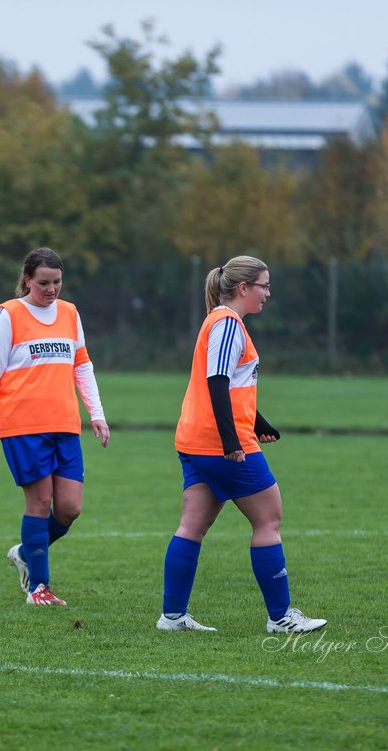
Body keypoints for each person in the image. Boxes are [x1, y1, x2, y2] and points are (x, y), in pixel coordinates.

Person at [157, 255, 326, 634]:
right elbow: (217, 381)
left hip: (195, 440)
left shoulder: (220, 322)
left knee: (192, 525)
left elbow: (231, 388)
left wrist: (259, 422)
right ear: (243, 288)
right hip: (221, 444)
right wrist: (233, 441)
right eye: (264, 285)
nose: (268, 293)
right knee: (268, 520)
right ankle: (281, 617)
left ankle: (172, 617)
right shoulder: (227, 324)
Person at [0, 247, 110, 606]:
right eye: (43, 282)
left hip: (65, 423)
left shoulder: (70, 313)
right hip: (23, 425)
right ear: (27, 280)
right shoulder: (10, 314)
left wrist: (97, 412)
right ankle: (38, 588)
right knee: (39, 501)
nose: (51, 290)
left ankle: (24, 551)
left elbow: (82, 366)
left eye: (57, 282)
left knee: (68, 508)